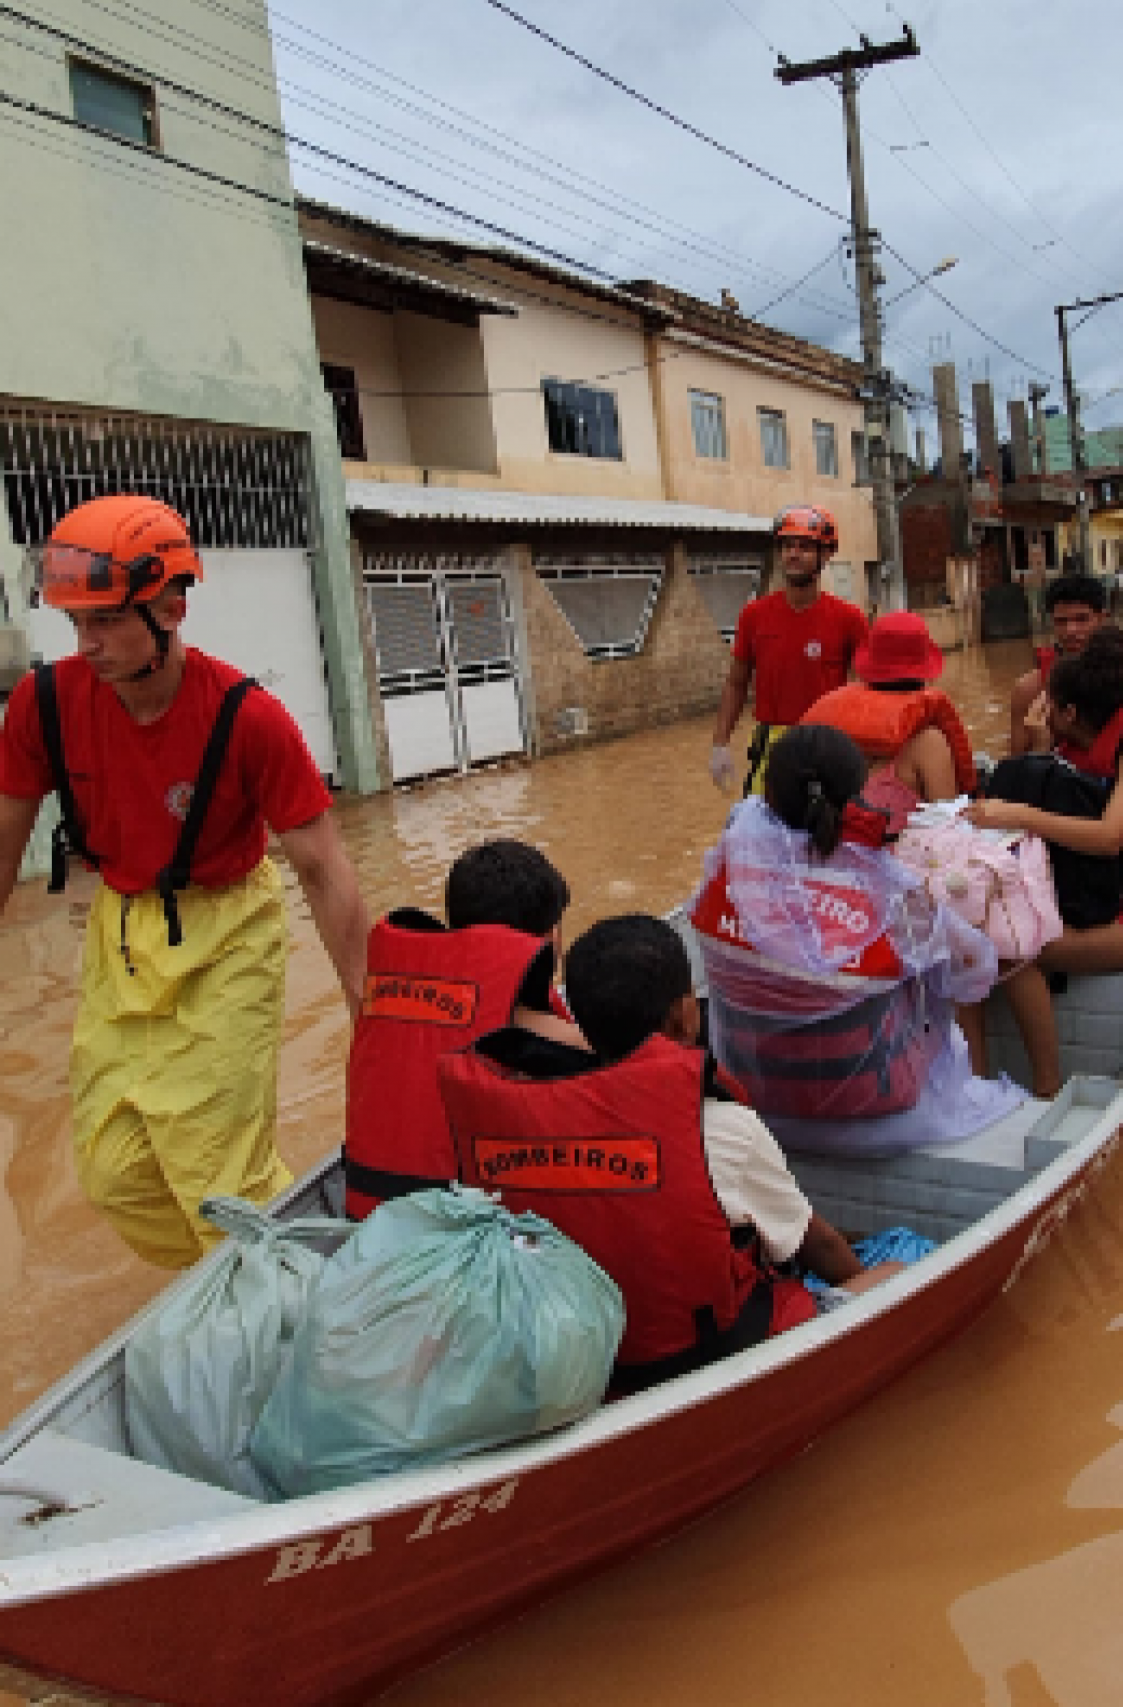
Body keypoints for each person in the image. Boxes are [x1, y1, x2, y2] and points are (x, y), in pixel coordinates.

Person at [0, 494, 369, 1269]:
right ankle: (245, 1268)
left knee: (217, 1175)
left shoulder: (247, 718)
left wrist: (368, 1010)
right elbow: (4, 839)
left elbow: (322, 866)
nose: (87, 643)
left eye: (106, 621)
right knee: (113, 1175)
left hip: (229, 929)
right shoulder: (44, 706)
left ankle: (294, 1308)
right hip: (120, 932)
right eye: (76, 623)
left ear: (170, 609)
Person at [439, 913, 901, 1390]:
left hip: (599, 1364)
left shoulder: (529, 1123)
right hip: (713, 1353)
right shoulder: (722, 1126)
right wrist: (853, 1280)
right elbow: (818, 1244)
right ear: (686, 1014)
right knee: (895, 1273)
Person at [694, 726, 1004, 1109]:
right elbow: (974, 969)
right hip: (878, 1101)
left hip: (756, 1098)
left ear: (767, 794)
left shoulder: (722, 878)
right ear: (857, 798)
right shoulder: (890, 891)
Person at [971, 626, 1123, 1096]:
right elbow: (1044, 786)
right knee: (970, 936)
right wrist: (1038, 748)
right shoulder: (1075, 745)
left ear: (1068, 711)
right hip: (1090, 898)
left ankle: (1048, 1087)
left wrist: (1022, 813)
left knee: (1013, 950)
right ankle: (972, 1082)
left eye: (1049, 704)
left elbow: (1110, 838)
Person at [343, 839, 570, 1217]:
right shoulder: (534, 1030)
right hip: (463, 1239)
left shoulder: (390, 997)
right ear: (546, 940)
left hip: (366, 1218)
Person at [710, 505, 867, 798]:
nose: (793, 554)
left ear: (826, 554)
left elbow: (866, 691)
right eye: (787, 546)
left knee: (829, 833)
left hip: (828, 741)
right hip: (772, 743)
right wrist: (720, 743)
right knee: (760, 830)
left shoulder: (849, 619)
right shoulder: (754, 615)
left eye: (805, 547)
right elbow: (736, 682)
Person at [803, 610, 976, 833]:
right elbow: (950, 832)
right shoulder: (929, 744)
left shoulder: (833, 733)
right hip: (902, 862)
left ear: (868, 671)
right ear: (926, 673)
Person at [1010, 574, 1123, 755]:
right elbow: (1016, 770)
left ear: (1102, 619)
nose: (1071, 631)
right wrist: (1040, 746)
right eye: (1061, 621)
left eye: (1081, 619)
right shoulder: (1029, 690)